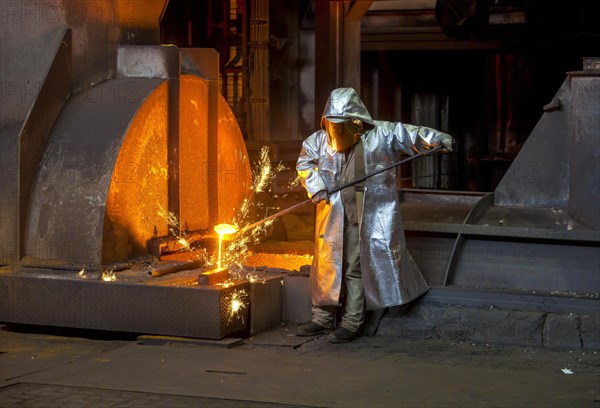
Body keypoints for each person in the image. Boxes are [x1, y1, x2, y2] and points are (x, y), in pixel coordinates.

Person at [296, 87, 454, 343]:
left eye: (341, 126)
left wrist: (437, 139)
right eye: (332, 126)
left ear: (355, 122)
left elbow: (409, 134)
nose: (335, 132)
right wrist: (316, 187)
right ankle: (322, 318)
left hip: (365, 218)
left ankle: (351, 322)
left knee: (354, 268)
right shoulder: (318, 141)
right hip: (334, 217)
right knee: (327, 264)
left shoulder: (381, 135)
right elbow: (304, 164)